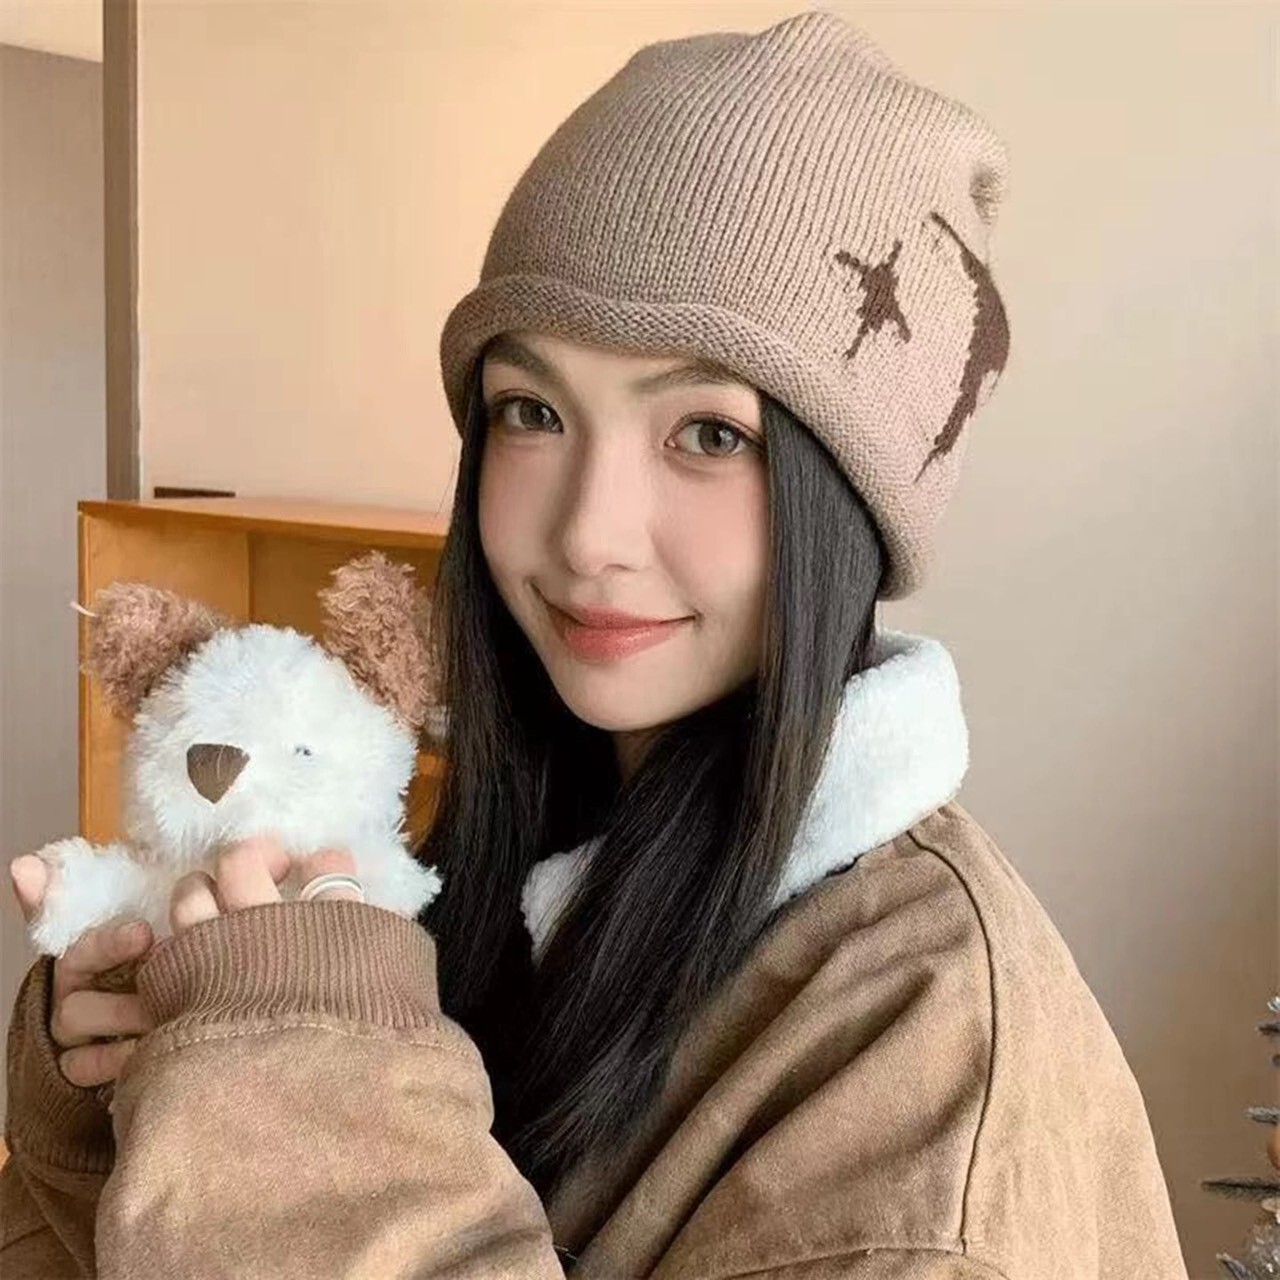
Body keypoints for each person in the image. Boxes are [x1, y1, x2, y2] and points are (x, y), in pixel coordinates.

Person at [2, 11, 1189, 1277]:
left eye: (710, 434)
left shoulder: (926, 1074)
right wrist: (134, 1101)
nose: (587, 534)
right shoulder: (500, 848)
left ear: (850, 500)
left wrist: (293, 1093)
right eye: (531, 410)